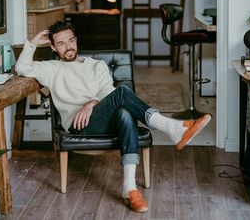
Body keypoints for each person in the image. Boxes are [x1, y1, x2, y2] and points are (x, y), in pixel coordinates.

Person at [15, 21, 211, 213]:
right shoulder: (51, 69)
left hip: (102, 119)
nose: (68, 47)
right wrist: (32, 42)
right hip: (77, 125)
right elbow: (21, 68)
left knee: (124, 113)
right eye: (61, 43)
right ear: (54, 47)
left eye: (71, 40)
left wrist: (91, 103)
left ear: (76, 40)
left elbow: (108, 91)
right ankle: (172, 128)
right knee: (123, 92)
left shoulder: (97, 65)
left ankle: (130, 187)